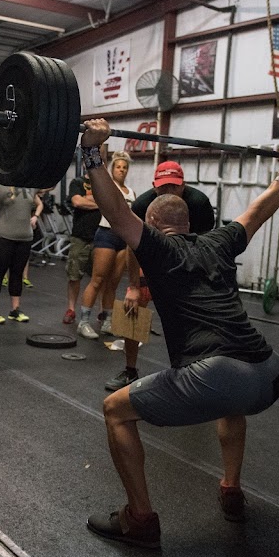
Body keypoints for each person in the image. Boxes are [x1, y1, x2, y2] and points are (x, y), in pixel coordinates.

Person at [79, 118, 279, 549]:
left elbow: (114, 213)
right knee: (231, 404)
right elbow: (257, 211)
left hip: (216, 373)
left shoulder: (157, 249)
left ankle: (139, 520)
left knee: (115, 411)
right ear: (190, 221)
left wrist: (92, 153)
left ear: (151, 222)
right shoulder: (219, 241)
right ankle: (231, 489)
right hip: (268, 374)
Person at [104, 160, 216, 391]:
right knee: (131, 308)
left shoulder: (199, 204)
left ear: (182, 185)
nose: (168, 191)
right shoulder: (142, 205)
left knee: (195, 317)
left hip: (188, 261)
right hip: (152, 261)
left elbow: (204, 246)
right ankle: (130, 371)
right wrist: (134, 286)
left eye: (173, 187)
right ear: (154, 186)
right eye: (163, 187)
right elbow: (133, 248)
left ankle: (193, 370)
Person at [76, 152, 135, 336]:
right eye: (118, 167)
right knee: (97, 280)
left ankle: (108, 321)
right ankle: (84, 322)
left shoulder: (131, 192)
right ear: (112, 169)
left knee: (113, 283)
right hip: (106, 235)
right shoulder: (108, 186)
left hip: (122, 239)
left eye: (124, 167)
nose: (121, 170)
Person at [0, 168, 42, 324]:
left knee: (17, 274)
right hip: (1, 236)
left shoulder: (30, 182)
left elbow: (50, 184)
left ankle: (15, 310)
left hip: (25, 237)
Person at [63, 169, 101, 326]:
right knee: (74, 275)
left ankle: (101, 311)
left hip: (101, 236)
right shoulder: (77, 183)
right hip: (80, 236)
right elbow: (77, 202)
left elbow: (111, 202)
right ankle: (71, 309)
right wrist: (100, 202)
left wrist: (89, 200)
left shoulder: (103, 184)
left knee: (100, 277)